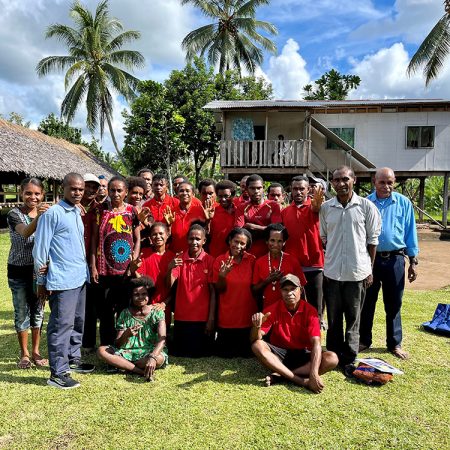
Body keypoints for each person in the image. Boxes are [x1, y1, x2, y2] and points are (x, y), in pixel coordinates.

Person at [33, 173, 94, 389]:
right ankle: (57, 373)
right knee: (60, 325)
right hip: (62, 280)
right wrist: (40, 281)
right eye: (73, 189)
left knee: (78, 322)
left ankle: (72, 359)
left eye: (81, 189)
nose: (78, 193)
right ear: (63, 189)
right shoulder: (53, 214)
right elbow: (40, 250)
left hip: (79, 277)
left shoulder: (76, 211)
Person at [319, 166, 381, 373]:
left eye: (345, 179)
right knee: (334, 318)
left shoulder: (366, 207)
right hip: (333, 274)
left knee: (354, 319)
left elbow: (372, 242)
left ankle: (349, 357)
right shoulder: (326, 208)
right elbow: (325, 238)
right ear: (332, 183)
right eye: (336, 180)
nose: (340, 183)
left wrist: (369, 270)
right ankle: (334, 355)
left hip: (357, 274)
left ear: (354, 180)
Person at [360, 167, 419, 359]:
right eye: (382, 182)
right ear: (374, 182)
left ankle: (394, 343)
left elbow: (411, 233)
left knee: (394, 303)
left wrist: (413, 261)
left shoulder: (403, 203)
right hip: (370, 260)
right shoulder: (365, 203)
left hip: (395, 259)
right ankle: (364, 340)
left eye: (390, 182)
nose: (386, 186)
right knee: (367, 301)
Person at [250, 274, 338, 392]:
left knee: (332, 358)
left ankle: (280, 376)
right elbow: (255, 338)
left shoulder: (310, 311)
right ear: (280, 292)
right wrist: (256, 327)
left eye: (293, 289)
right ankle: (299, 380)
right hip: (279, 354)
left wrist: (313, 374)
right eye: (285, 290)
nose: (289, 293)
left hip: (303, 354)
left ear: (300, 290)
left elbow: (316, 343)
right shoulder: (272, 309)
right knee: (257, 345)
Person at [90, 175, 141, 346]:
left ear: (126, 192)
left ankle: (121, 345)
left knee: (123, 310)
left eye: (120, 190)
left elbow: (137, 239)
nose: (116, 193)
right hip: (104, 271)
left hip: (125, 271)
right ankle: (106, 346)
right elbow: (94, 239)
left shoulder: (132, 211)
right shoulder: (100, 210)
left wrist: (134, 260)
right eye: (112, 190)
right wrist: (93, 266)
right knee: (105, 312)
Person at [7, 178, 49, 369]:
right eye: (28, 193)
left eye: (37, 193)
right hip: (18, 271)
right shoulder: (14, 214)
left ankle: (36, 352)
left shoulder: (47, 214)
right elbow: (24, 233)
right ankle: (24, 353)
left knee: (38, 312)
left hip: (39, 272)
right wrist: (40, 218)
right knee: (21, 312)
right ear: (21, 193)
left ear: (43, 195)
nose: (33, 197)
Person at [97, 277, 167, 381]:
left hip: (149, 352)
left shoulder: (157, 312)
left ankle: (121, 365)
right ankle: (140, 371)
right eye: (136, 295)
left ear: (149, 295)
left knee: (159, 358)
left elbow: (162, 339)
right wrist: (126, 334)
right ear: (131, 296)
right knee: (101, 351)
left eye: (144, 294)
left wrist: (152, 357)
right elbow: (117, 344)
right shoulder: (125, 313)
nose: (140, 297)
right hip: (126, 352)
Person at [282, 176, 325, 324]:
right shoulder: (285, 212)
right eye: (295, 189)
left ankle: (315, 341)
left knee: (315, 306)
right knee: (293, 304)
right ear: (290, 190)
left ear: (308, 189)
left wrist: (318, 207)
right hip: (293, 266)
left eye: (302, 188)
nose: (298, 192)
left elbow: (317, 208)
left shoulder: (316, 208)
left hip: (314, 265)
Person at [167, 224, 215, 357]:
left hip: (202, 318)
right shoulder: (180, 258)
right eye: (191, 238)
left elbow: (213, 292)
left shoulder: (210, 260)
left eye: (198, 239)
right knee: (180, 353)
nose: (194, 242)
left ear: (204, 241)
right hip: (183, 316)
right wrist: (170, 269)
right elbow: (170, 285)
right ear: (187, 239)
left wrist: (211, 318)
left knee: (202, 354)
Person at [213, 227, 257, 357]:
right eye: (235, 241)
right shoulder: (220, 260)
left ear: (247, 245)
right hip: (226, 320)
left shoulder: (252, 260)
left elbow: (255, 289)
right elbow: (219, 290)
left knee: (246, 354)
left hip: (247, 319)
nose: (238, 246)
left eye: (242, 243)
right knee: (225, 355)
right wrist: (222, 276)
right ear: (229, 241)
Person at [252, 223, 306, 310]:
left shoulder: (292, 261)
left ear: (284, 242)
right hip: (267, 309)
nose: (276, 244)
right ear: (266, 241)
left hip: (289, 309)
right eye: (272, 240)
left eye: (280, 241)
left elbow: (301, 288)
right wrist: (268, 280)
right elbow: (254, 290)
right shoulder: (259, 262)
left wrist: (303, 310)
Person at [130, 222, 174, 326]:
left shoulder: (173, 257)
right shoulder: (145, 253)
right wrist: (133, 270)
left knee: (162, 337)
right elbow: (141, 280)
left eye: (161, 233)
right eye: (154, 234)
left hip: (163, 306)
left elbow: (175, 287)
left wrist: (164, 303)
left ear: (167, 235)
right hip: (145, 306)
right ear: (150, 237)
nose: (158, 236)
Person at [235, 174, 282, 258]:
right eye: (252, 188)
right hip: (248, 254)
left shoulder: (273, 206)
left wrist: (251, 226)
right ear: (246, 189)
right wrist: (266, 229)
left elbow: (276, 230)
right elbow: (239, 231)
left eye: (259, 188)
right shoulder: (241, 207)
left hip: (269, 253)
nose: (256, 191)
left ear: (263, 188)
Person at [79, 173, 101, 353]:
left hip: (92, 260)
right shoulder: (69, 207)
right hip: (73, 261)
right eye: (89, 186)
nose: (92, 190)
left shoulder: (99, 209)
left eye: (95, 187)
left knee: (92, 304)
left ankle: (88, 342)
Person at [164, 181, 209, 253]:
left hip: (195, 255)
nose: (184, 193)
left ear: (193, 194)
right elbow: (166, 236)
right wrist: (169, 225)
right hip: (176, 254)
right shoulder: (171, 213)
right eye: (181, 191)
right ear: (177, 194)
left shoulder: (200, 211)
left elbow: (207, 233)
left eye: (187, 191)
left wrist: (208, 220)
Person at [208, 180, 237, 258]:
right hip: (215, 255)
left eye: (226, 196)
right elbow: (207, 234)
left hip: (234, 256)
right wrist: (208, 220)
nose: (223, 199)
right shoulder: (212, 211)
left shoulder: (239, 212)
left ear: (233, 195)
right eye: (220, 196)